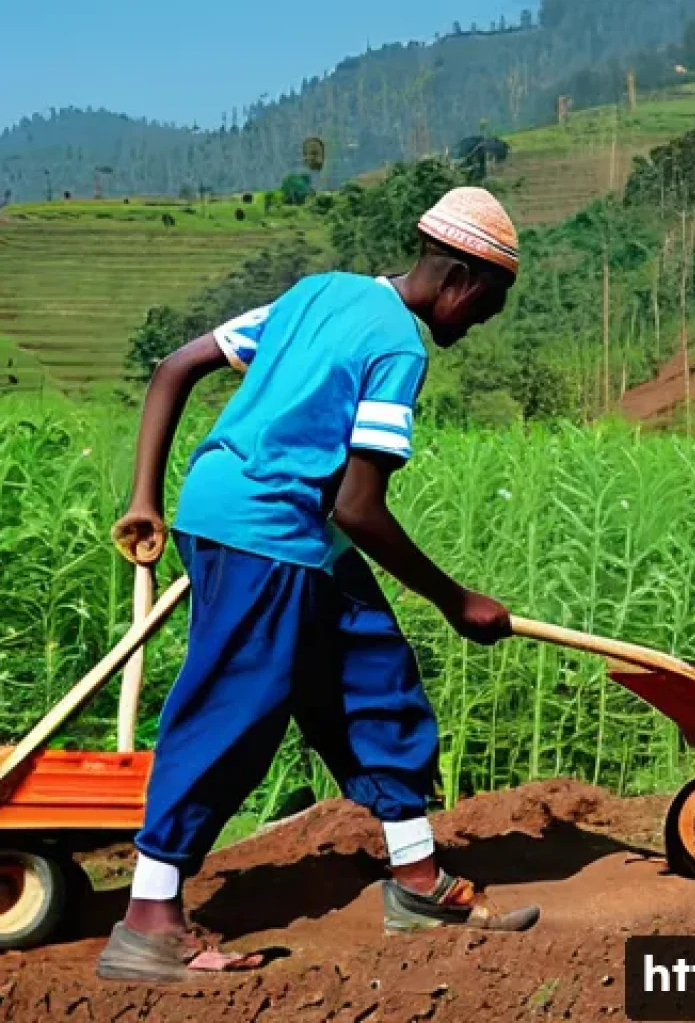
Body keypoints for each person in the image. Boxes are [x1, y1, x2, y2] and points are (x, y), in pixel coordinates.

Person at [97, 188, 540, 984]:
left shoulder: (318, 293)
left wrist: (146, 497)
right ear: (467, 282)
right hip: (265, 534)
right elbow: (360, 507)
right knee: (233, 711)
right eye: (493, 305)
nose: (483, 324)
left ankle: (415, 881)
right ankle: (149, 920)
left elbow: (175, 368)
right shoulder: (399, 349)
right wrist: (456, 599)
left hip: (276, 528)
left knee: (375, 678)